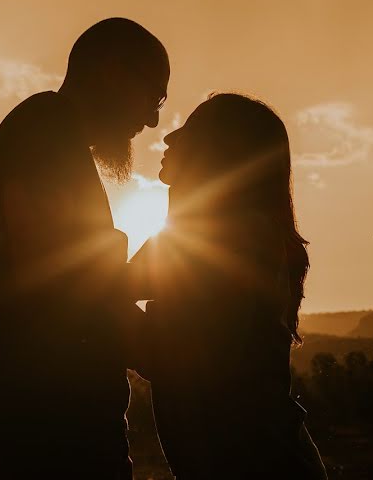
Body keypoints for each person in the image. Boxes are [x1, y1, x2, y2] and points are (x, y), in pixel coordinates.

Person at [0, 17, 169, 478]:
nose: (153, 119)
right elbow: (70, 285)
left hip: (58, 421)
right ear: (112, 72)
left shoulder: (50, 137)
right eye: (154, 96)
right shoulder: (42, 136)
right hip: (59, 431)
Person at [129, 93, 328, 479]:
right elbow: (119, 285)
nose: (169, 138)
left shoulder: (238, 234)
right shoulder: (189, 232)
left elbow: (166, 353)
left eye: (189, 130)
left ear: (220, 151)